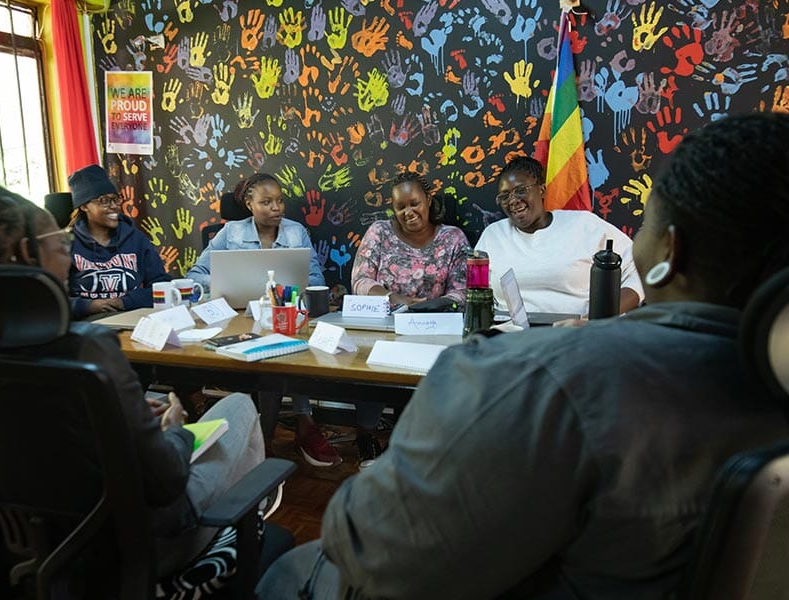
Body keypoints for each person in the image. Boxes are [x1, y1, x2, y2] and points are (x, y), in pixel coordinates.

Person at [257, 113, 789, 599]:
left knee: (286, 566)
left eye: (645, 222)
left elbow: (371, 550)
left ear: (667, 250)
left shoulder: (524, 380)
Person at [0, 183, 266, 579]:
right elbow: (166, 480)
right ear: (24, 254)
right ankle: (243, 542)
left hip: (33, 555)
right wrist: (176, 431)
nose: (69, 254)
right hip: (134, 551)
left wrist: (123, 417)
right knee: (239, 404)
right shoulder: (91, 352)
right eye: (61, 242)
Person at [186, 173, 340, 468]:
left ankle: (284, 430)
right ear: (249, 204)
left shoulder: (296, 233)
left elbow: (316, 279)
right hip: (240, 321)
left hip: (286, 318)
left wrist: (285, 294)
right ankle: (277, 433)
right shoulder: (230, 233)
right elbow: (195, 274)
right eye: (266, 202)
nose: (276, 208)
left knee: (286, 351)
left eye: (280, 201)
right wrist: (226, 280)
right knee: (272, 362)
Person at [350, 171, 470, 468]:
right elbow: (361, 281)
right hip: (384, 325)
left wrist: (427, 307)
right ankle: (366, 435)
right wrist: (395, 299)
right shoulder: (379, 232)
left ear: (429, 200)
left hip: (433, 327)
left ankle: (411, 445)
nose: (408, 212)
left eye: (414, 203)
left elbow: (462, 291)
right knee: (368, 365)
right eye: (400, 207)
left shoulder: (453, 238)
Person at [475, 156, 644, 316]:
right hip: (512, 336)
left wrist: (599, 319)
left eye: (520, 191)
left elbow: (638, 269)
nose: (513, 201)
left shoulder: (583, 225)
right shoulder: (493, 236)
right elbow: (476, 294)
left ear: (541, 190)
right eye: (505, 196)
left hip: (578, 334)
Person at [67, 164, 172, 319]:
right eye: (104, 201)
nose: (114, 207)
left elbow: (162, 286)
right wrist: (89, 306)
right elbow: (50, 300)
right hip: (85, 324)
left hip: (130, 317)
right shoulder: (66, 243)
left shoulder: (136, 239)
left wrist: (124, 302)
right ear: (84, 206)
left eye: (116, 199)